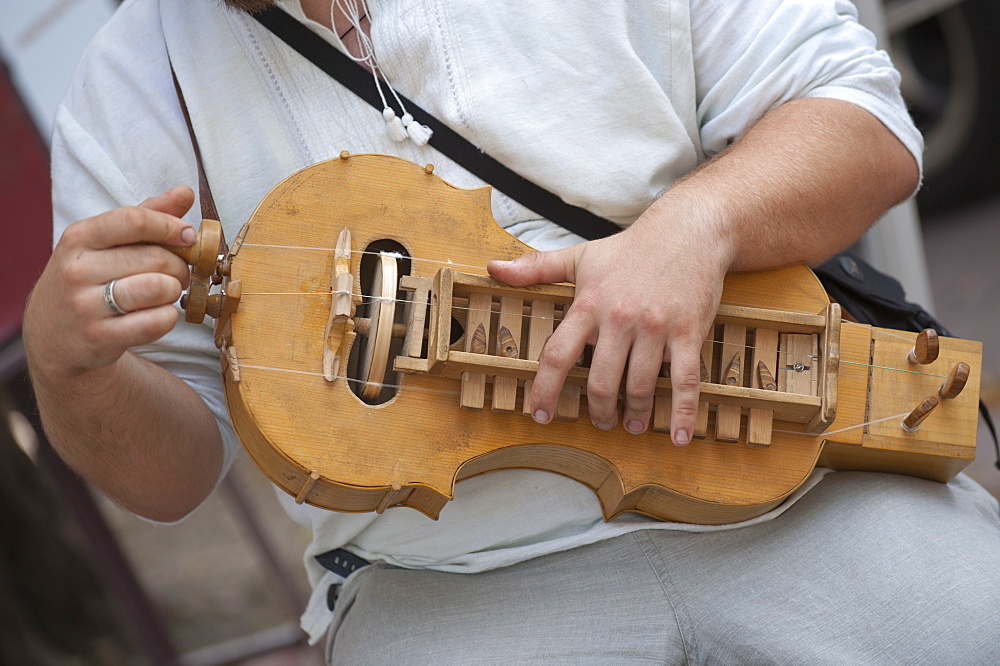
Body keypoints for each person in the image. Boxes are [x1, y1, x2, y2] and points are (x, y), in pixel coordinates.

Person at [23, 0, 1000, 662]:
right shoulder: (131, 80)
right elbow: (172, 479)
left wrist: (694, 229)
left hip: (799, 497)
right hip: (442, 580)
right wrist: (72, 369)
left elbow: (862, 123)